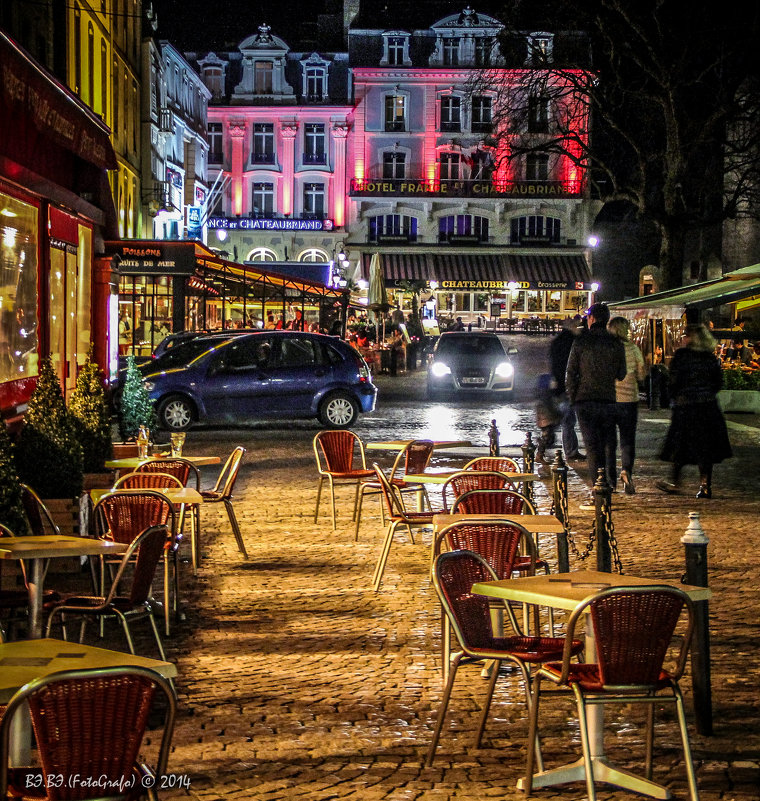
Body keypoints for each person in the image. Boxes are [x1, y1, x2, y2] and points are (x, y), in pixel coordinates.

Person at [657, 324, 732, 498]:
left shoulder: (682, 356)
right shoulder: (709, 358)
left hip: (686, 407)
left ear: (692, 338)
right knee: (705, 447)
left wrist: (674, 397)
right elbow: (718, 382)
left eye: (686, 335)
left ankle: (675, 482)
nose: (683, 338)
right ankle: (705, 485)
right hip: (707, 407)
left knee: (680, 444)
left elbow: (673, 380)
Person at [565, 302, 627, 489]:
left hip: (585, 400)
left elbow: (570, 372)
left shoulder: (581, 341)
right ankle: (609, 482)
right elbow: (621, 373)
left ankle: (598, 487)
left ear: (591, 319)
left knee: (592, 447)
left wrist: (573, 397)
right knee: (608, 443)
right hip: (607, 398)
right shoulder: (615, 342)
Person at [607, 317, 646, 494]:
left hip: (610, 399)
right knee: (627, 440)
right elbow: (641, 374)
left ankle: (609, 480)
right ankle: (626, 471)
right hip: (629, 400)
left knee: (609, 441)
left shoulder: (607, 349)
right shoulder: (633, 349)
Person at [547, 316, 585, 462]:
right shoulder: (572, 342)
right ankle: (569, 450)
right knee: (567, 420)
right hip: (568, 385)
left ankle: (568, 448)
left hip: (560, 385)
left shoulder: (558, 341)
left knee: (565, 419)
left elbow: (554, 364)